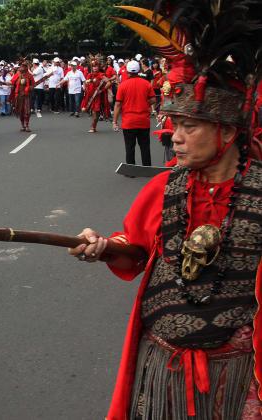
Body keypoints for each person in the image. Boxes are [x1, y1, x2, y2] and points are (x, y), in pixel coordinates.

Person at [69, 2, 262, 418]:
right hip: (160, 369)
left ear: (228, 132)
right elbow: (135, 248)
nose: (174, 137)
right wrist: (104, 247)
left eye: (189, 127)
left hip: (239, 378)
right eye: (175, 125)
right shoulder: (163, 188)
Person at [112, 60, 156, 167]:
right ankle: (147, 168)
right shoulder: (146, 84)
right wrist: (144, 102)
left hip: (128, 122)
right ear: (139, 71)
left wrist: (114, 121)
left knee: (129, 147)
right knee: (145, 147)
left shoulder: (123, 85)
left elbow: (118, 104)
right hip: (143, 121)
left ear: (127, 72)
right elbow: (153, 100)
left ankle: (131, 169)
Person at [81, 55, 111, 133]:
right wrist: (85, 86)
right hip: (90, 96)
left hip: (97, 97)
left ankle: (93, 127)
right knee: (89, 111)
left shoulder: (101, 75)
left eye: (96, 66)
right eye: (93, 66)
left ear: (98, 67)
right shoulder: (89, 75)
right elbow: (86, 84)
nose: (94, 68)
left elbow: (108, 82)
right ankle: (93, 126)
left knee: (96, 112)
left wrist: (102, 90)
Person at [11, 62, 34, 132]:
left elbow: (33, 85)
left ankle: (27, 125)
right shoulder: (17, 75)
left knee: (27, 111)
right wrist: (4, 83)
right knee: (20, 111)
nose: (22, 68)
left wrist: (28, 88)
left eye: (24, 66)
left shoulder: (30, 76)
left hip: (27, 96)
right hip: (18, 96)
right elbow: (12, 83)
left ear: (26, 68)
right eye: (21, 66)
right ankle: (22, 125)